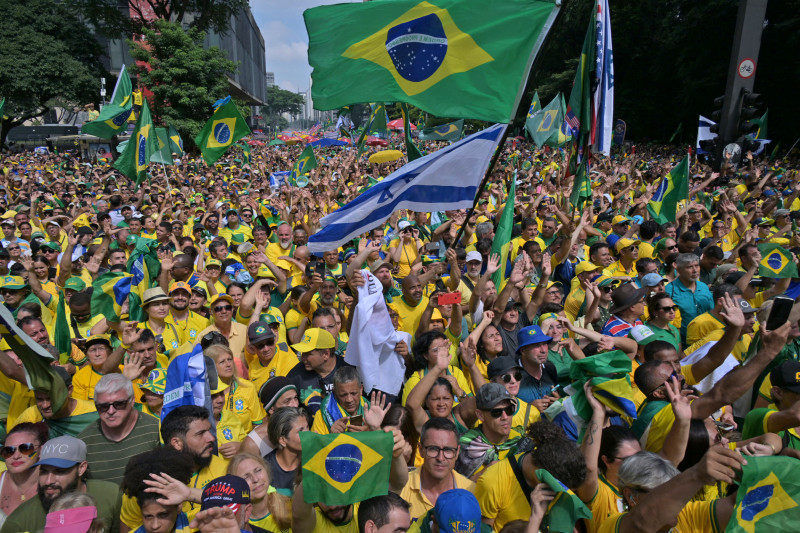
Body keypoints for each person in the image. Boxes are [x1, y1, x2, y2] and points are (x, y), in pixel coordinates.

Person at [119, 406, 228, 530]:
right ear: (177, 443)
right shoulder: (145, 479)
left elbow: (239, 505)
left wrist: (189, 494)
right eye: (200, 434)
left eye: (209, 431)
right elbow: (129, 526)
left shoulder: (224, 469)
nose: (211, 438)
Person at [475, 420, 586, 531]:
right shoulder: (493, 480)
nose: (561, 495)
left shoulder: (559, 476)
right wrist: (535, 519)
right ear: (542, 475)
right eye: (558, 490)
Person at [0, 436, 122, 533]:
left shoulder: (111, 496)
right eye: (43, 472)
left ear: (81, 468)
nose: (48, 481)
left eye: (59, 471)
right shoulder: (18, 523)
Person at [77, 374, 161, 485]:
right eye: (103, 406)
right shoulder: (84, 441)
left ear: (132, 401)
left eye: (119, 404)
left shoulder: (156, 430)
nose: (111, 411)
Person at [400, 417, 475, 521]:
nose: (440, 458)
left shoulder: (471, 491)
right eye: (433, 449)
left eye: (448, 450)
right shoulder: (401, 487)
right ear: (420, 450)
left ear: (457, 452)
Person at [455, 383, 525, 479]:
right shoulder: (463, 445)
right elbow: (454, 488)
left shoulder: (522, 441)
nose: (505, 417)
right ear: (480, 415)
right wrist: (483, 474)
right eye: (497, 412)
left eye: (509, 410)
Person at [119, 447, 195, 533]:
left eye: (163, 515)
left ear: (178, 507)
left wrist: (189, 494)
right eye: (148, 516)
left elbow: (214, 500)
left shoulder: (198, 524)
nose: (155, 526)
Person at [287, 327, 352, 415]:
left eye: (308, 354)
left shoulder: (349, 370)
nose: (302, 358)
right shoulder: (295, 376)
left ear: (326, 354)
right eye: (302, 353)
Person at [0, 422, 49, 528]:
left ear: (41, 450)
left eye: (25, 448)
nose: (16, 456)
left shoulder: (52, 484)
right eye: (9, 450)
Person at [227, 453, 292, 533]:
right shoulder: (235, 522)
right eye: (246, 477)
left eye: (258, 470)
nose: (255, 479)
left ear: (267, 471)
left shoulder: (291, 503)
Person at [239, 377, 300, 458]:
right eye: (287, 401)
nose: (295, 405)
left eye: (295, 398)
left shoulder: (302, 426)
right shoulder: (253, 443)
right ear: (271, 409)